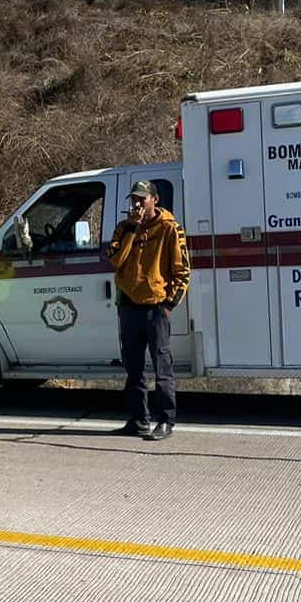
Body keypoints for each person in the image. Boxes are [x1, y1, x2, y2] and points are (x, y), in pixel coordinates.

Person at [107, 180, 190, 441]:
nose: (138, 204)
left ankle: (165, 420)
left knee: (162, 366)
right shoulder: (124, 228)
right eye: (134, 199)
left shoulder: (169, 228)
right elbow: (115, 260)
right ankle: (138, 419)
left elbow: (182, 271)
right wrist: (132, 229)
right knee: (133, 368)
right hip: (129, 306)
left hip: (156, 307)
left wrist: (168, 304)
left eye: (143, 199)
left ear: (155, 200)